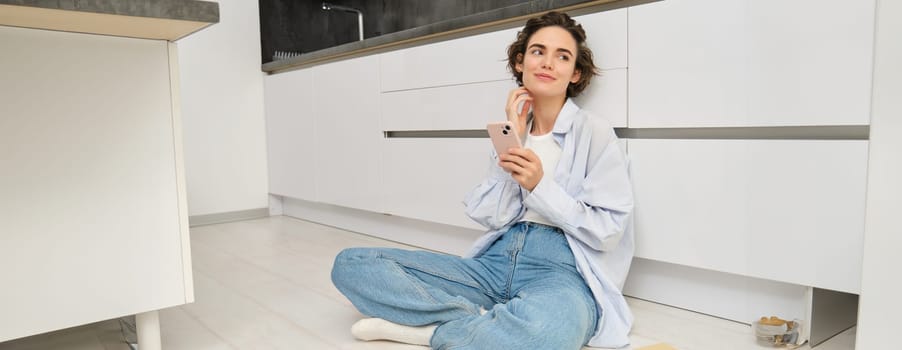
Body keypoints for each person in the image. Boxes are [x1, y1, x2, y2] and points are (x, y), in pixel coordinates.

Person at [331, 11, 634, 349]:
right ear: (520, 62)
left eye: (562, 56)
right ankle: (477, 320)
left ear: (575, 73)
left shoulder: (595, 132)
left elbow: (608, 230)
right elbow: (491, 215)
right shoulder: (510, 134)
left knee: (553, 329)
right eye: (538, 51)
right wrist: (512, 140)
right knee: (352, 265)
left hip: (560, 271)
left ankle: (429, 331)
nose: (548, 62)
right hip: (493, 263)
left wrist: (540, 186)